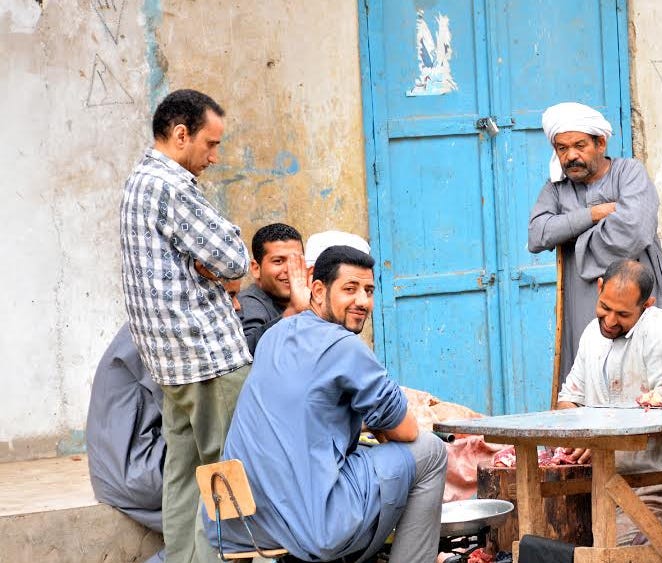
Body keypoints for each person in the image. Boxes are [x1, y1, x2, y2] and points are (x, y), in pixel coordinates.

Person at [208, 245, 447, 563]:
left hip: (239, 520)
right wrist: (377, 420)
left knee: (349, 454)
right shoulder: (345, 346)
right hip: (309, 526)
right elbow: (405, 431)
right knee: (430, 451)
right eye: (350, 289)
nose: (362, 301)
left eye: (368, 290)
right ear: (317, 291)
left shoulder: (274, 335)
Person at [119, 88, 252, 563]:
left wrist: (206, 264)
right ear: (181, 135)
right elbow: (236, 259)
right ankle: (225, 556)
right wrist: (215, 265)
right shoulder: (173, 187)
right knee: (227, 468)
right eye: (211, 144)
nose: (214, 157)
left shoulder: (138, 180)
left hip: (168, 360)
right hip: (208, 355)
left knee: (183, 470)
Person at [86, 279, 243, 563]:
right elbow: (200, 418)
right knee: (221, 473)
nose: (237, 306)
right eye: (229, 296)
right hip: (132, 469)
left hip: (125, 463)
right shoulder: (170, 334)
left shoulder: (154, 321)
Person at [528, 102, 662, 384]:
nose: (571, 155)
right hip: (584, 300)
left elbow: (632, 231)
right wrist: (594, 214)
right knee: (590, 378)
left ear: (600, 143)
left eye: (579, 145)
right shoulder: (556, 189)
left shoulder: (629, 173)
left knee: (648, 375)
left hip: (640, 296)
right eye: (562, 148)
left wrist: (576, 239)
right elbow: (537, 234)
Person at [556, 259, 662, 545]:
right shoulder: (590, 336)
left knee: (610, 551)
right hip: (606, 485)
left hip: (661, 492)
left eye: (623, 314)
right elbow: (567, 402)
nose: (610, 321)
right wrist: (580, 436)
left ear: (647, 305)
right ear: (599, 288)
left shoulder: (660, 331)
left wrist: (600, 438)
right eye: (605, 308)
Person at [238, 222, 308, 354]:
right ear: (256, 268)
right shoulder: (249, 303)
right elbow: (247, 351)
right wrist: (294, 311)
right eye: (278, 261)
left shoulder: (307, 301)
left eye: (295, 261)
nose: (289, 269)